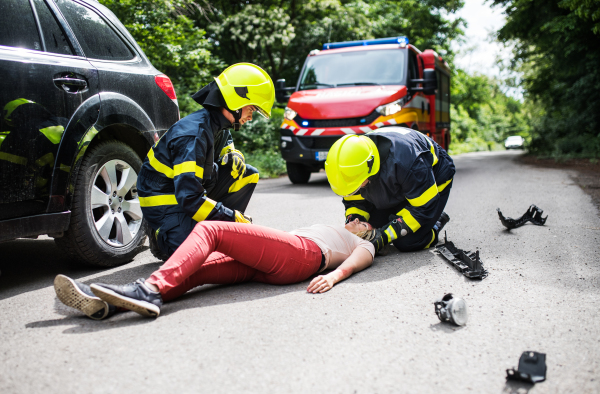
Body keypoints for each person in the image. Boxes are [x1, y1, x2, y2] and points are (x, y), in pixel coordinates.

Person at [54, 218, 376, 319]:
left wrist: (332, 278)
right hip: (280, 260)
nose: (355, 220)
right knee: (199, 271)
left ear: (367, 231)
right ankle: (110, 303)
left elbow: (356, 263)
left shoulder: (365, 244)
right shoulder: (338, 228)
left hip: (302, 257)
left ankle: (148, 290)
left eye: (363, 222)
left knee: (211, 231)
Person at [139, 63, 275, 261]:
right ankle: (161, 237)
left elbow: (225, 140)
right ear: (235, 100)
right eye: (252, 108)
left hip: (185, 195)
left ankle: (217, 230)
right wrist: (230, 216)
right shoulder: (193, 136)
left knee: (246, 174)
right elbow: (189, 198)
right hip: (169, 204)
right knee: (204, 255)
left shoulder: (216, 123)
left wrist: (234, 153)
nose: (251, 116)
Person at [325, 127, 455, 254]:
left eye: (358, 185)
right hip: (401, 180)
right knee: (370, 229)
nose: (357, 190)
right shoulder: (355, 159)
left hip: (432, 183)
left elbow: (422, 208)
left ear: (370, 167)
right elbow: (354, 202)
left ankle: (435, 225)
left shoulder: (408, 163)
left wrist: (383, 236)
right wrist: (354, 221)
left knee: (407, 241)